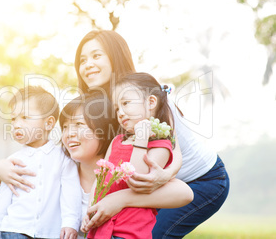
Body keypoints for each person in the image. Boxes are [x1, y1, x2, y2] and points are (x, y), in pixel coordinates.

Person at [0, 30, 230, 238]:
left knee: (152, 233)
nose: (87, 64)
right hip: (147, 181)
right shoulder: (107, 107)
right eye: (82, 59)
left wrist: (165, 174)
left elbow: (173, 145)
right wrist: (0, 167)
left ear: (116, 57)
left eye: (96, 55)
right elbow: (61, 144)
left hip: (200, 180)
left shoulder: (140, 95)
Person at [58, 92, 193, 239]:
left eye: (79, 124)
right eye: (64, 127)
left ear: (104, 128)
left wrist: (120, 199)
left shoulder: (124, 170)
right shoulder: (61, 169)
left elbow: (185, 193)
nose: (69, 133)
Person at [83, 73, 176, 239]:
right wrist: (90, 209)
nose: (120, 112)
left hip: (129, 231)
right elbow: (100, 179)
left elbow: (136, 179)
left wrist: (141, 139)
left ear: (151, 102)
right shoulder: (117, 140)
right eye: (117, 108)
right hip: (102, 226)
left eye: (126, 103)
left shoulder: (160, 145)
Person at [0, 86, 81, 239]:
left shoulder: (63, 158)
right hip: (13, 231)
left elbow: (71, 193)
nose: (16, 124)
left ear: (49, 123)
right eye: (13, 119)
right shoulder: (12, 162)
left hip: (50, 233)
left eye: (25, 117)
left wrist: (70, 223)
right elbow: (3, 202)